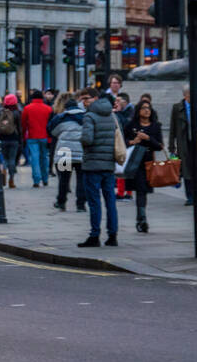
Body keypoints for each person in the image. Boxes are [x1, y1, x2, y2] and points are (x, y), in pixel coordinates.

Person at [78, 89, 120, 247]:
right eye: (82, 99)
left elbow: (87, 139)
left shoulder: (89, 116)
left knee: (94, 202)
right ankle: (113, 235)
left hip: (92, 165)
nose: (84, 102)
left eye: (86, 98)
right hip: (108, 164)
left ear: (95, 98)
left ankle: (94, 235)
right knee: (110, 201)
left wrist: (81, 138)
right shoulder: (111, 115)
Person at [123, 99, 163, 233]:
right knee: (140, 190)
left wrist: (148, 138)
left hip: (148, 162)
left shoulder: (155, 126)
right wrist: (134, 141)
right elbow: (123, 142)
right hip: (135, 162)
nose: (147, 110)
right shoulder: (130, 125)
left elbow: (159, 146)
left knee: (143, 191)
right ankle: (142, 218)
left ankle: (140, 218)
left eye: (149, 108)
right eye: (144, 108)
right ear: (138, 111)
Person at [170, 85, 197, 206]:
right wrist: (171, 147)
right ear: (186, 95)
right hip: (184, 144)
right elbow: (173, 128)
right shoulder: (177, 108)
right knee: (186, 171)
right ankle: (190, 196)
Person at [49, 92, 87, 212]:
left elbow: (52, 131)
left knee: (64, 179)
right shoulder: (86, 116)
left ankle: (61, 202)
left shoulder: (61, 117)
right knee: (82, 179)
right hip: (81, 150)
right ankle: (80, 204)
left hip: (64, 151)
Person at [21, 90, 52, 189]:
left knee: (34, 158)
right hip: (45, 136)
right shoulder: (48, 109)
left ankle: (36, 180)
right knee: (44, 158)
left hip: (32, 136)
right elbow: (51, 124)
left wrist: (23, 136)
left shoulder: (27, 108)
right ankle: (45, 178)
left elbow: (23, 124)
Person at [0, 93, 22, 188]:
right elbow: (19, 128)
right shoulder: (16, 112)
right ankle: (11, 180)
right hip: (14, 139)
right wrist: (21, 140)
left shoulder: (0, 111)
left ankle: (3, 170)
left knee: (5, 158)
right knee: (12, 159)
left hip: (2, 138)